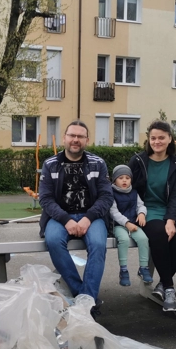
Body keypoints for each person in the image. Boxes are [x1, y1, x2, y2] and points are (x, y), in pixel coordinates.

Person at [39, 120, 113, 316]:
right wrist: (66, 220)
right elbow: (45, 199)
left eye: (80, 136)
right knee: (53, 240)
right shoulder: (50, 164)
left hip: (92, 216)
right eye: (72, 135)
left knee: (98, 244)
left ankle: (85, 304)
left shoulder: (98, 163)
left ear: (87, 140)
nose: (75, 139)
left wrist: (88, 218)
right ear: (64, 138)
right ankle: (85, 298)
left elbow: (106, 196)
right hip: (60, 217)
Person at [128, 120, 176, 312]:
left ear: (170, 138)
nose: (157, 141)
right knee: (158, 233)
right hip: (145, 210)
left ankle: (162, 284)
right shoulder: (138, 161)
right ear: (148, 140)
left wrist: (171, 220)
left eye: (161, 138)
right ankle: (169, 287)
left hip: (171, 208)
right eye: (153, 138)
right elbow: (128, 189)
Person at [109, 164, 153, 287]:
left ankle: (143, 268)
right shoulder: (111, 193)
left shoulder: (134, 192)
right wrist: (126, 223)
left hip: (133, 224)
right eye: (121, 178)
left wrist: (142, 214)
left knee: (143, 239)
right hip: (119, 225)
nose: (124, 180)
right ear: (114, 180)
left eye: (127, 178)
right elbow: (113, 212)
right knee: (124, 240)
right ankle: (123, 270)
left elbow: (141, 205)